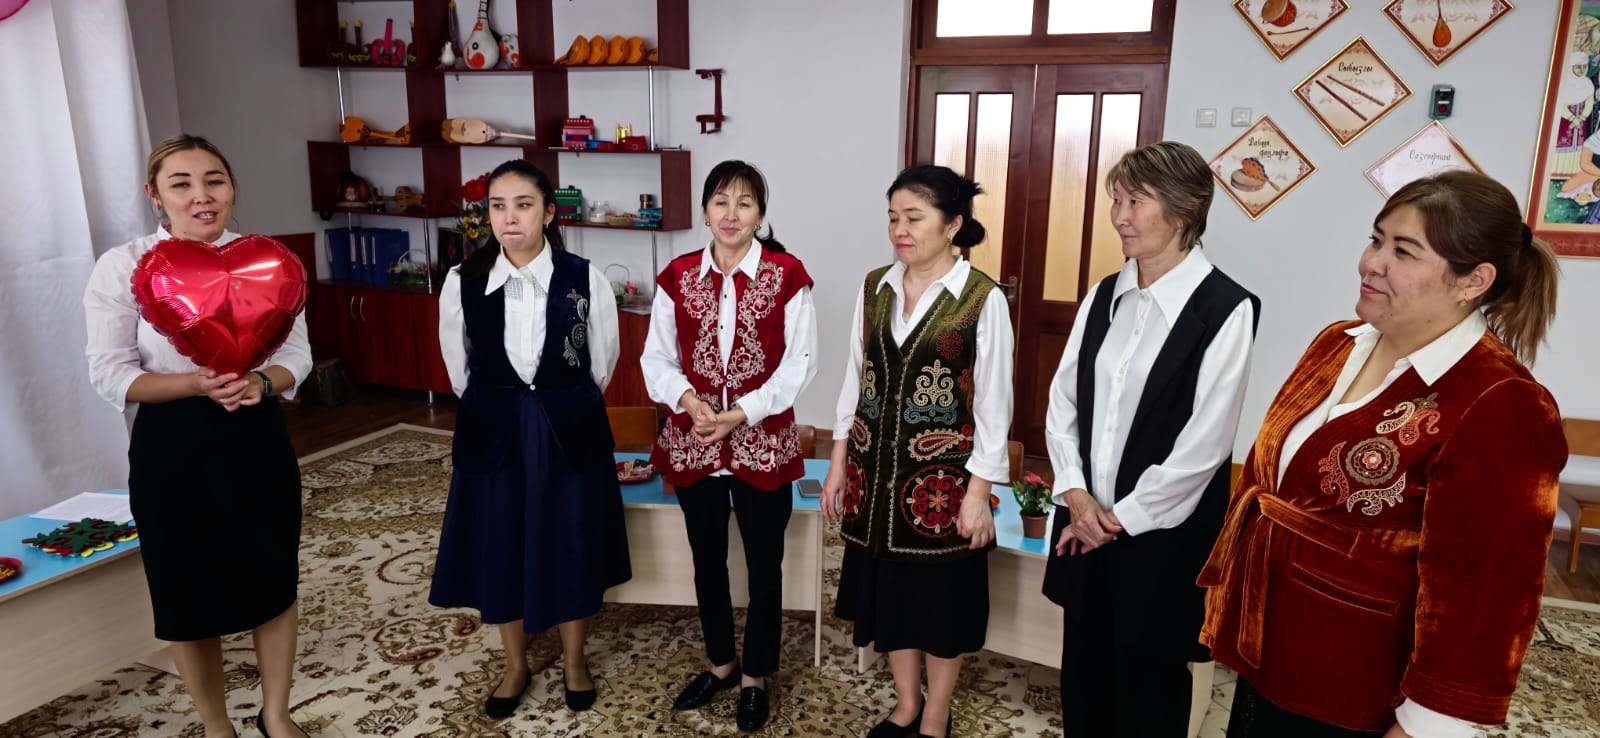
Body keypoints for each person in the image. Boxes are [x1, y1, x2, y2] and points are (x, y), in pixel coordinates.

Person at [1198, 169, 1567, 737]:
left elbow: (1489, 596)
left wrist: (1427, 725)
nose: (1372, 262)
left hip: (1358, 688)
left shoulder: (1500, 402)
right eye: (1376, 240)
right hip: (1269, 650)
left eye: (1403, 251)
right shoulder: (1337, 344)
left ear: (1473, 281)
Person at [84, 134, 312, 738]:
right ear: (155, 195)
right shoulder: (124, 265)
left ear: (232, 187)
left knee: (273, 579)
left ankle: (276, 714)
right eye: (181, 184)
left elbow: (298, 356)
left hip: (255, 434)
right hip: (172, 446)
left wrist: (260, 382)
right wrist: (193, 384)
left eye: (214, 180)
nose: (201, 196)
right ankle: (216, 726)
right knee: (184, 594)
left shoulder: (266, 260)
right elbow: (110, 373)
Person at [1039, 140, 1259, 737]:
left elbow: (1204, 449)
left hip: (1159, 538)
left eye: (1136, 201)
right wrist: (1076, 496)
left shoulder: (1226, 308)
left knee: (1148, 693)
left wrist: (1117, 520)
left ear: (1184, 212)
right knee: (1083, 679)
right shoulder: (1104, 295)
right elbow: (1064, 401)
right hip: (1085, 524)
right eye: (1116, 200)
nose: (1119, 216)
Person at [428, 158, 631, 719]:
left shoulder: (584, 278)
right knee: (502, 544)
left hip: (566, 428)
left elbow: (601, 362)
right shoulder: (463, 281)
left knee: (571, 541)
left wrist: (555, 399)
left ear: (548, 213)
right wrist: (506, 402)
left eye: (523, 205)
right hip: (496, 430)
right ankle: (515, 664)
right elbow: (459, 369)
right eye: (498, 206)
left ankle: (574, 660)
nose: (509, 218)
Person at [821, 164, 1013, 738]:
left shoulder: (981, 299)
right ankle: (906, 703)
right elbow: (854, 380)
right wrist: (838, 462)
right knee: (892, 602)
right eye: (892, 218)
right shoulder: (875, 287)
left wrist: (978, 494)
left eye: (913, 217)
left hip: (940, 487)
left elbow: (994, 407)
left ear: (952, 225)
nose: (899, 230)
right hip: (873, 476)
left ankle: (935, 713)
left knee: (939, 609)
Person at [640, 159, 817, 732]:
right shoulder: (677, 276)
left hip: (762, 441)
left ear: (760, 214)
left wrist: (740, 413)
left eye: (744, 203)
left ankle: (755, 675)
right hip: (694, 441)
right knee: (706, 560)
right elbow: (656, 358)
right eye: (721, 201)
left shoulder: (787, 276)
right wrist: (689, 402)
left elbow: (799, 365)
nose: (731, 214)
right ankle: (720, 663)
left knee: (765, 564)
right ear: (705, 211)